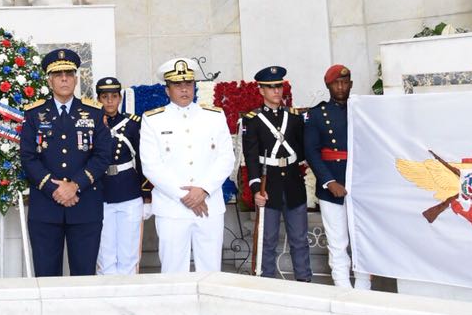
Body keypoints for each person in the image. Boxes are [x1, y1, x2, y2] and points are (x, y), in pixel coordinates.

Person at [19, 49, 110, 276]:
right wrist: (55, 188)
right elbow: (28, 157)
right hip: (46, 208)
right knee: (46, 276)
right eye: (58, 75)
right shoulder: (34, 114)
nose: (64, 79)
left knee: (84, 275)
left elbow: (102, 156)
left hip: (85, 205)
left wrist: (74, 185)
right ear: (49, 81)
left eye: (69, 74)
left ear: (76, 79)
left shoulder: (94, 113)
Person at [140, 58, 236, 274]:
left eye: (188, 84)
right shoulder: (152, 120)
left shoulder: (214, 116)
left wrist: (202, 190)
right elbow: (151, 166)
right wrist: (185, 196)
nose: (184, 89)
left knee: (210, 270)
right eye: (177, 85)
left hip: (209, 205)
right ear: (167, 89)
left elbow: (226, 158)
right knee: (173, 271)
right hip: (172, 208)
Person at [304, 64, 370, 290]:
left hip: (361, 185)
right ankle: (342, 287)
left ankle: (363, 287)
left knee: (363, 240)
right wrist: (329, 182)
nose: (341, 87)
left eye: (345, 82)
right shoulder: (317, 114)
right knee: (338, 242)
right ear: (328, 86)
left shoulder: (362, 110)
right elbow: (311, 152)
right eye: (336, 83)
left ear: (351, 84)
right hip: (332, 185)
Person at [243, 66, 311, 281]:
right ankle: (267, 284)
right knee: (267, 240)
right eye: (271, 88)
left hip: (293, 182)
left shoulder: (294, 117)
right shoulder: (252, 120)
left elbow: (302, 149)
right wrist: (256, 189)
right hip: (268, 185)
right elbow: (251, 158)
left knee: (300, 239)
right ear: (261, 90)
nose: (276, 91)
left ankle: (304, 281)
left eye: (279, 86)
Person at [94, 76, 146, 275]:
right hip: (101, 191)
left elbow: (142, 159)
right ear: (98, 98)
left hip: (128, 190)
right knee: (105, 252)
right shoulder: (92, 123)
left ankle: (128, 294)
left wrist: (146, 193)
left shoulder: (133, 124)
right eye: (105, 96)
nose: (109, 101)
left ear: (120, 98)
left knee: (129, 250)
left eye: (114, 96)